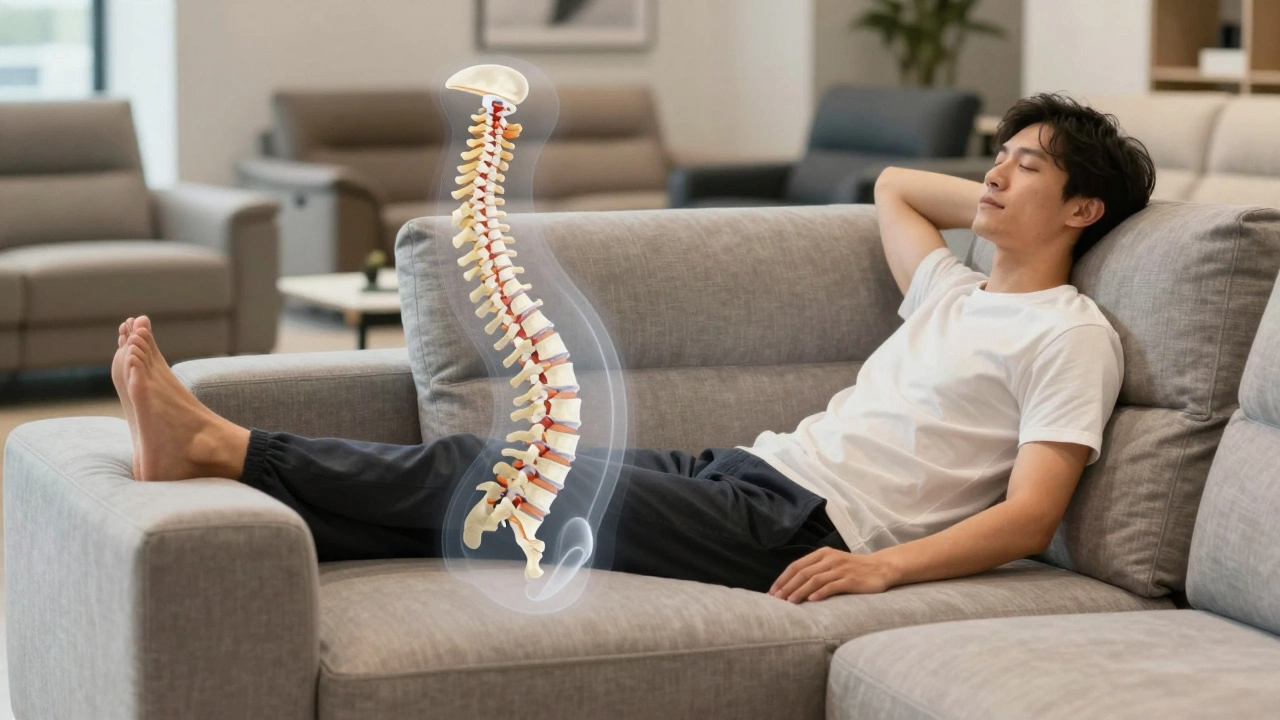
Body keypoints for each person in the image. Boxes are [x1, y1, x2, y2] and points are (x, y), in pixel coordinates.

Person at [110, 93, 1155, 604]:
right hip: (745, 472)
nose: (996, 177)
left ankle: (223, 451)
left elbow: (1030, 513)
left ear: (1084, 206)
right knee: (492, 493)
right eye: (998, 158)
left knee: (483, 478)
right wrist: (1001, 183)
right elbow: (889, 187)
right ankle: (251, 495)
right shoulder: (950, 289)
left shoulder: (1068, 336)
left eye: (1026, 169)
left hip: (793, 527)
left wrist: (879, 571)